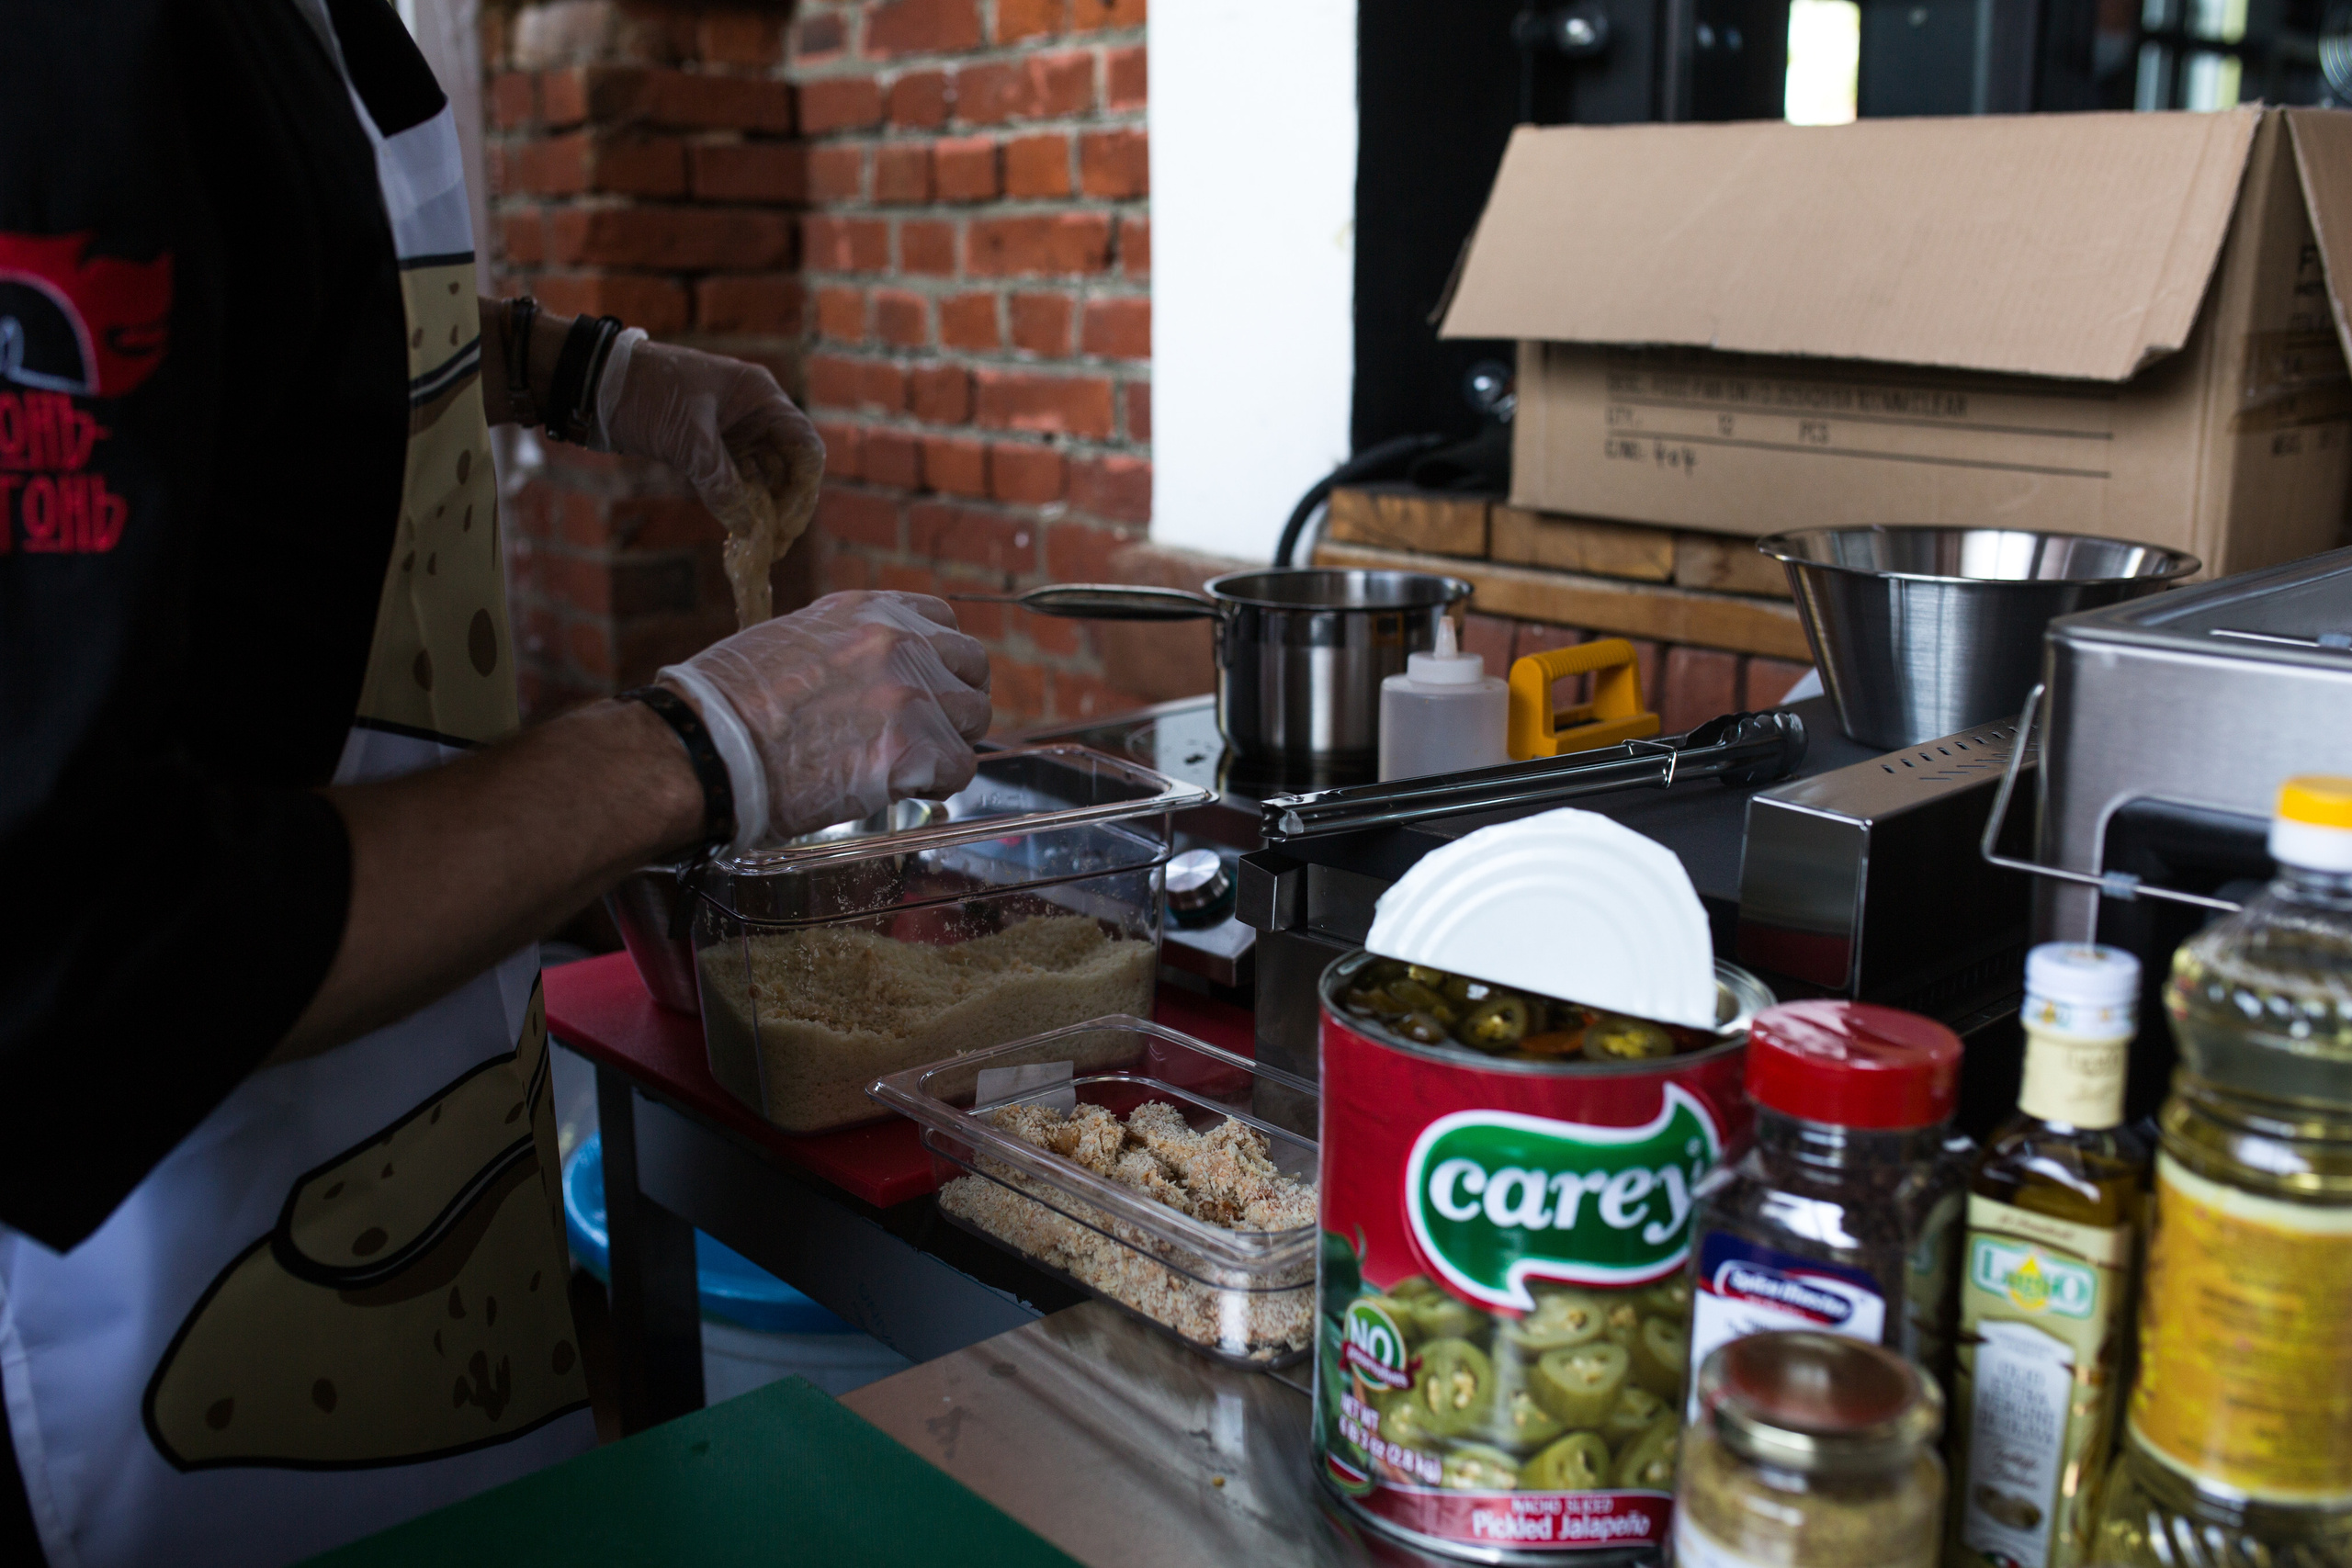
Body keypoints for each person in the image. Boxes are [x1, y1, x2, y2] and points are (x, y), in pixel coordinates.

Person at [0, 2, 990, 1564]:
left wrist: (584, 371)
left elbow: (264, 300)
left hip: (413, 1099)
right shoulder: (69, 55)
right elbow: (66, 955)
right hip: (142, 1277)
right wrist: (702, 744)